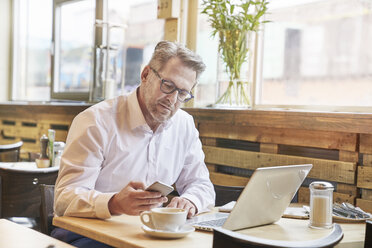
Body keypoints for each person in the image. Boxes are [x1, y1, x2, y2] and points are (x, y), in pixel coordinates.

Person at [51, 41, 216, 247]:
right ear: (146, 74)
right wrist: (113, 203)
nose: (172, 100)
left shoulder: (184, 125)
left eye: (182, 93)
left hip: (148, 234)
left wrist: (191, 200)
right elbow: (64, 199)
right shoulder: (95, 121)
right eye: (168, 86)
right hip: (88, 234)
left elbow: (202, 185)